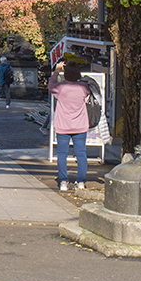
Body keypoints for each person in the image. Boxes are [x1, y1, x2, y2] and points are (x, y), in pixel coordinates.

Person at [49, 59, 90, 191]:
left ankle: (63, 182)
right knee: (81, 154)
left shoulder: (60, 88)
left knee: (62, 154)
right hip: (80, 125)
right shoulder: (83, 88)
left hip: (63, 125)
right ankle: (81, 182)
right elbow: (88, 94)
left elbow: (50, 85)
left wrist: (56, 71)